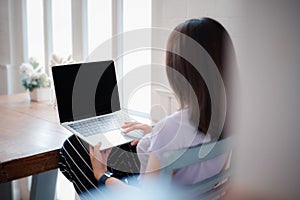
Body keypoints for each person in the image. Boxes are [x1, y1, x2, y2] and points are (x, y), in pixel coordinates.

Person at [59, 17, 237, 198]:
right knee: (122, 146)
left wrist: (103, 175)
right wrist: (154, 133)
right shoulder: (233, 116)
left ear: (178, 70)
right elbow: (190, 139)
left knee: (73, 148)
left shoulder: (170, 128)